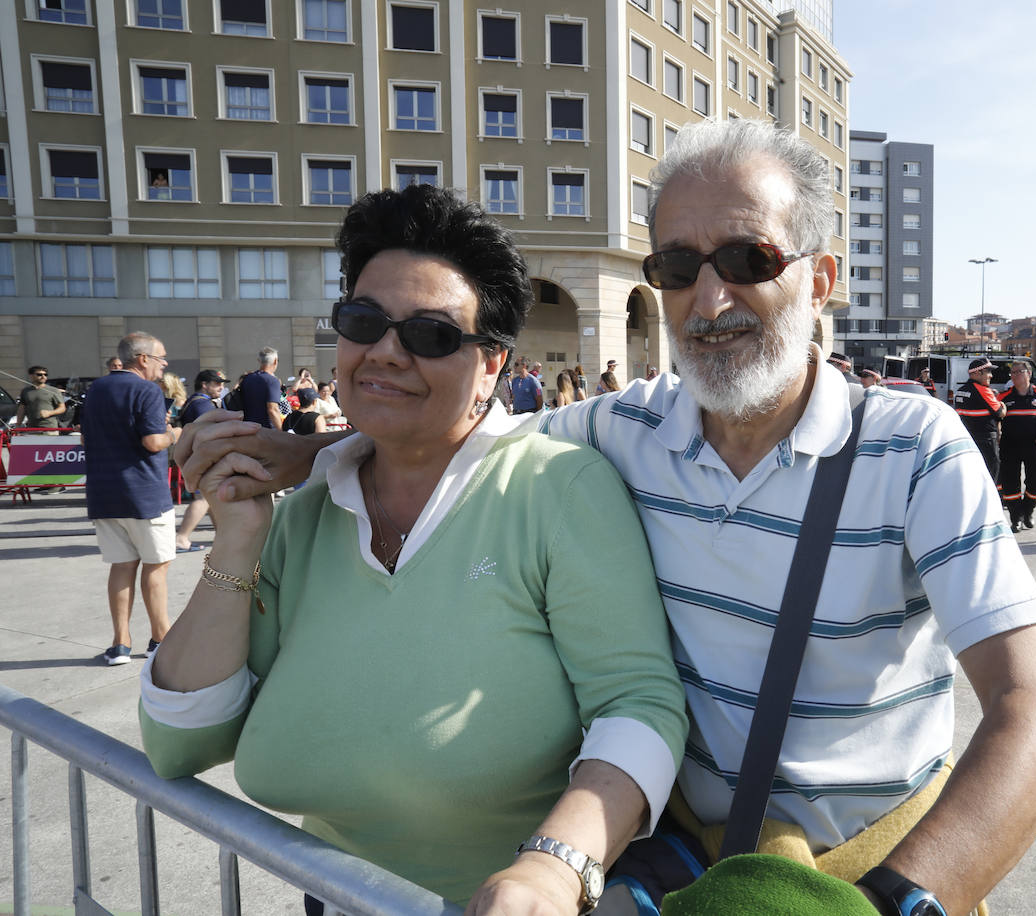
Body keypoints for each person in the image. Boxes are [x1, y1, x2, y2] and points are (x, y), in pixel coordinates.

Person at [175, 120, 1036, 916]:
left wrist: (900, 902)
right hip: (684, 857)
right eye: (678, 267)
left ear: (823, 278)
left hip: (871, 862)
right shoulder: (624, 427)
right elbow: (456, 428)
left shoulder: (910, 445)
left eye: (748, 259)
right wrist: (312, 453)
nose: (710, 297)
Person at [143, 184, 688, 913]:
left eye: (430, 335)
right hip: (336, 894)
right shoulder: (306, 512)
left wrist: (555, 868)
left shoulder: (557, 490)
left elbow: (638, 702)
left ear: (492, 365)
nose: (385, 354)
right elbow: (180, 744)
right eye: (364, 321)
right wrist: (237, 540)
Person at [81, 332, 182, 664]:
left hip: (103, 494)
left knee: (121, 567)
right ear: (143, 359)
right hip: (144, 494)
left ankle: (120, 643)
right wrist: (174, 433)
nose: (164, 364)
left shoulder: (96, 390)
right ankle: (161, 638)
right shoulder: (146, 390)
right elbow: (153, 442)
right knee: (156, 566)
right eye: (161, 357)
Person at [997, 360, 1036, 532]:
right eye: (1012, 372)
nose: (1015, 375)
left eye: (1019, 371)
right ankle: (1015, 518)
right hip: (1009, 447)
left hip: (1033, 446)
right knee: (1010, 485)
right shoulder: (1003, 397)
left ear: (1029, 374)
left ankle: (1027, 512)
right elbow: (994, 419)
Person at [175, 370, 229, 552]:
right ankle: (181, 537)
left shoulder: (193, 402)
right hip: (204, 456)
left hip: (195, 456)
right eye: (216, 383)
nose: (221, 387)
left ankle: (223, 535)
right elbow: (210, 434)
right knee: (204, 497)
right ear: (204, 385)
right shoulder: (203, 405)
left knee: (209, 497)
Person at [953, 356, 1006, 486]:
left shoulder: (960, 391)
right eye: (988, 372)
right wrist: (1003, 405)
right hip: (986, 441)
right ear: (977, 373)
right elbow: (1000, 413)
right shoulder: (983, 390)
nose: (991, 376)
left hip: (967, 440)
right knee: (990, 476)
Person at [240, 347, 284, 430]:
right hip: (265, 430)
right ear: (275, 361)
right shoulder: (273, 381)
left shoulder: (247, 378)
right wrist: (282, 432)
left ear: (259, 361)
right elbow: (272, 409)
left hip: (246, 428)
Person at [16, 365, 68, 434]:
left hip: (50, 428)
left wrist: (49, 413)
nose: (43, 377)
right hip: (31, 428)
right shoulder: (25, 391)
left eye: (45, 375)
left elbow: (62, 408)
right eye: (39, 374)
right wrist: (18, 424)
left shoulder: (54, 390)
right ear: (31, 376)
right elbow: (22, 408)